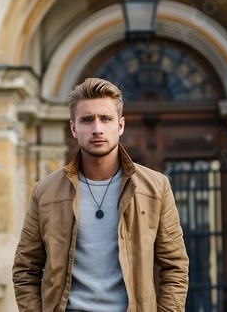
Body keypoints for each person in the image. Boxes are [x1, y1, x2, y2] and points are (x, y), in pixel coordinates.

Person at [12, 78, 189, 312]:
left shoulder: (155, 187)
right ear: (74, 128)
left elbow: (175, 265)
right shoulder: (45, 192)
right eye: (87, 120)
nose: (97, 128)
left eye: (106, 118)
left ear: (120, 125)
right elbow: (25, 269)